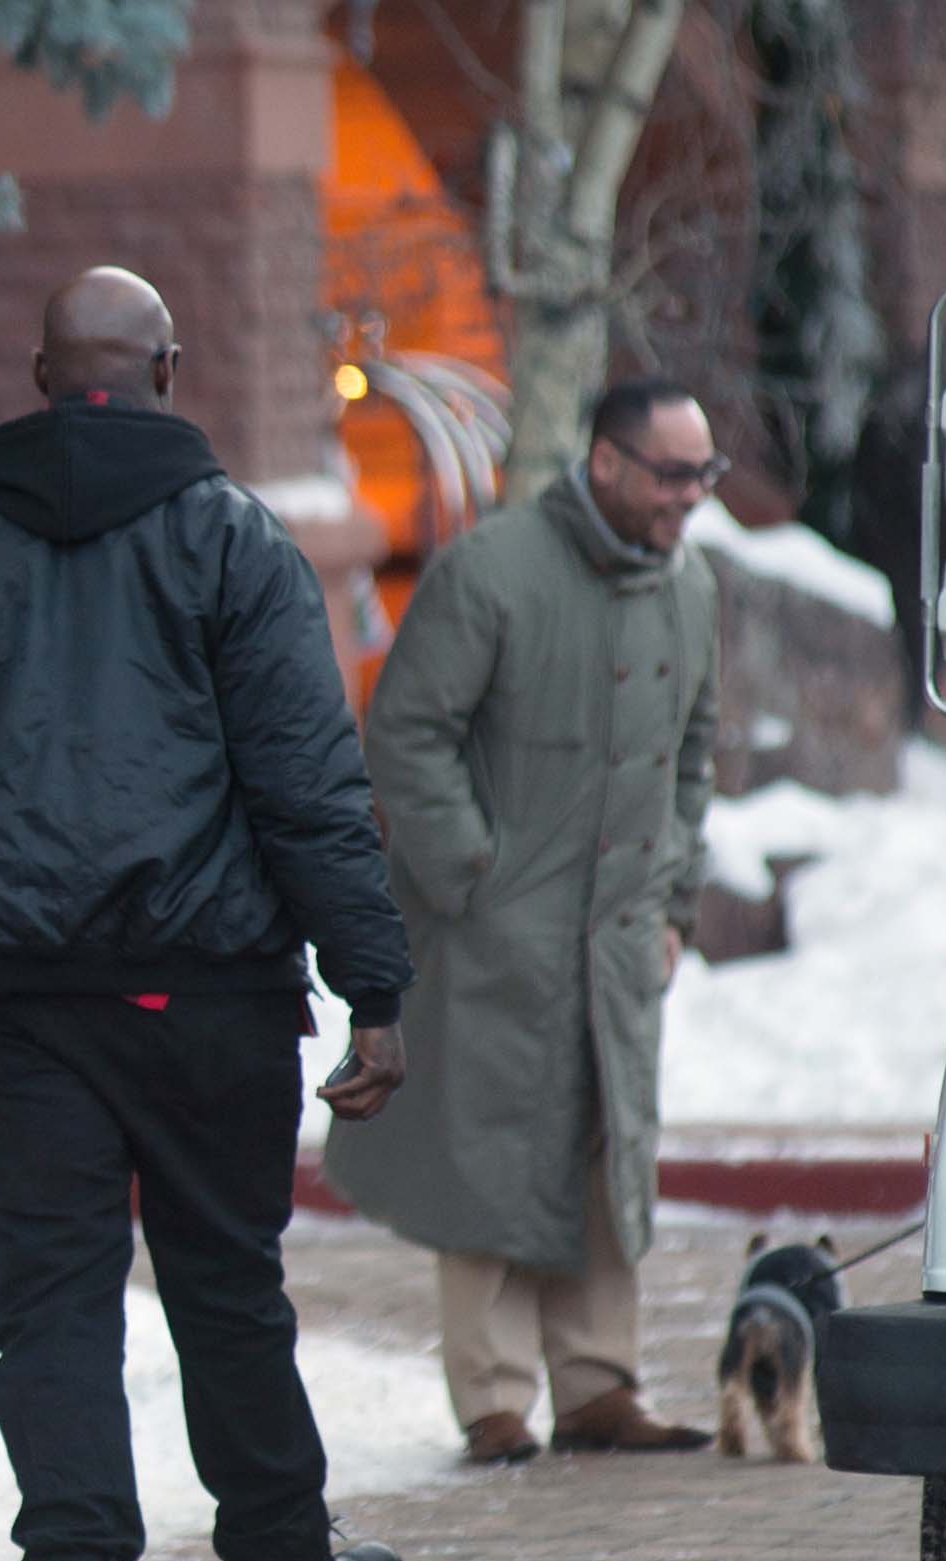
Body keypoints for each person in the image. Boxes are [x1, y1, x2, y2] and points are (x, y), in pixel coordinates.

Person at [0, 267, 418, 1561]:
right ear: (170, 362)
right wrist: (375, 985)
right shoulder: (239, 550)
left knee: (50, 1315)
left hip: (21, 1010)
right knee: (229, 1294)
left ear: (38, 374)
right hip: (209, 992)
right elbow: (307, 788)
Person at [322, 378, 725, 1466]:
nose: (691, 496)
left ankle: (599, 1384)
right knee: (490, 1152)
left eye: (704, 474)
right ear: (605, 463)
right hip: (497, 928)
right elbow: (406, 732)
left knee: (605, 1147)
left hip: (619, 935)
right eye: (673, 473)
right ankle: (493, 1399)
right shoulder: (490, 570)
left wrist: (674, 901)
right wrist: (473, 877)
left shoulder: (690, 586)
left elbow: (694, 755)